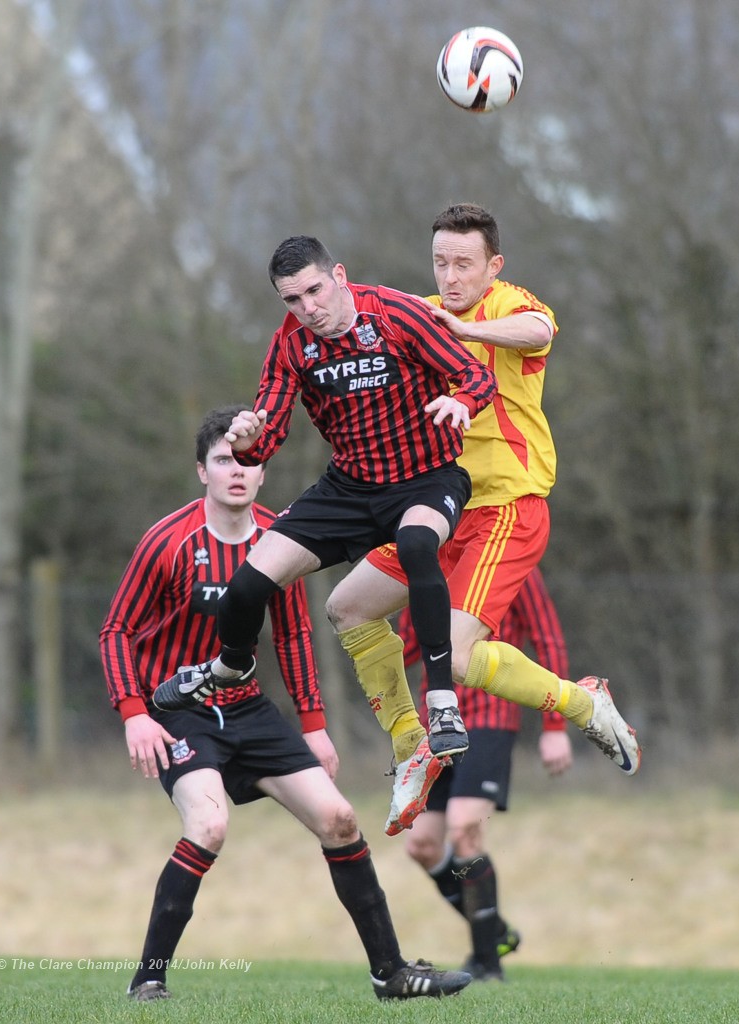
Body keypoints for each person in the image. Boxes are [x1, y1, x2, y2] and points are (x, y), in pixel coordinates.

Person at [99, 405, 472, 1002]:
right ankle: (149, 981)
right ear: (202, 472)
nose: (237, 471)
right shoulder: (167, 542)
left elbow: (295, 634)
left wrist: (315, 726)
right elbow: (115, 630)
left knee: (341, 820)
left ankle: (391, 974)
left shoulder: (282, 539)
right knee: (210, 823)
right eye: (223, 460)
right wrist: (134, 713)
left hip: (248, 708)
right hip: (179, 711)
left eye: (248, 460)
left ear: (263, 472)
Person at [152, 235, 499, 835]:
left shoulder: (397, 314)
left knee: (418, 546)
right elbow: (266, 436)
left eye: (315, 290)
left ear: (338, 276)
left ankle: (442, 706)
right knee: (247, 584)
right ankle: (232, 665)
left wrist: (460, 404)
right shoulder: (291, 346)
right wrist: (244, 436)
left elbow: (474, 377)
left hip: (426, 478)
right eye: (293, 299)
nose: (309, 307)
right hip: (349, 490)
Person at [325, 202, 641, 836]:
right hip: (438, 507)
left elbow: (540, 333)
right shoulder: (418, 313)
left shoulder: (503, 307)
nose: (451, 276)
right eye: (440, 262)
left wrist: (462, 333)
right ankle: (410, 744)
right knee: (348, 606)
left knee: (461, 661)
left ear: (492, 265)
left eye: (464, 263)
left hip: (508, 506)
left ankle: (586, 704)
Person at [397, 566, 573, 981]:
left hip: (490, 717)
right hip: (437, 725)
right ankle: (493, 931)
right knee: (422, 845)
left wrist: (555, 726)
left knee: (464, 829)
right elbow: (405, 647)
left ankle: (487, 964)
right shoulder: (425, 564)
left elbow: (548, 640)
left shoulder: (513, 562)